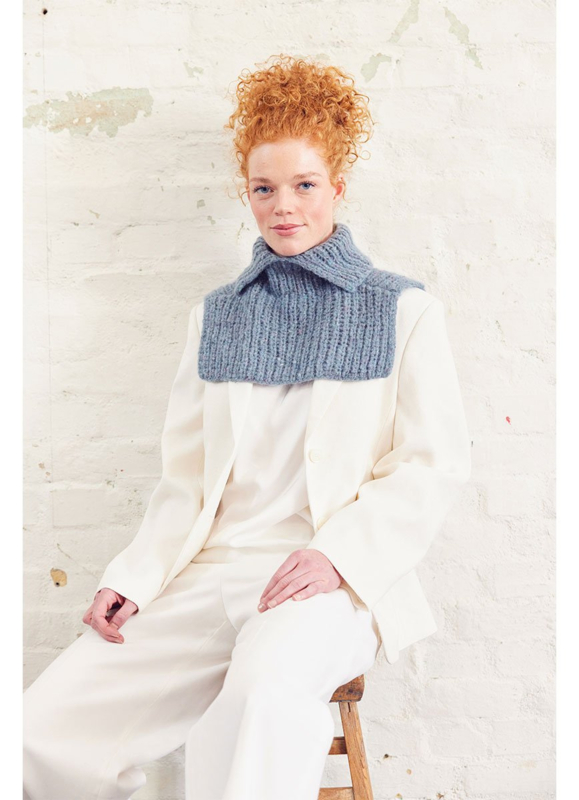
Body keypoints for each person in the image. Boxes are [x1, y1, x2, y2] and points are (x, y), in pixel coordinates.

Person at [23, 54, 471, 800]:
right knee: (40, 727)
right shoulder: (217, 317)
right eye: (264, 188)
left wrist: (337, 556)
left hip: (325, 582)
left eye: (304, 185)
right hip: (208, 574)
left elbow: (431, 464)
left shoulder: (401, 310)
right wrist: (133, 577)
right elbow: (186, 480)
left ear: (337, 188)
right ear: (247, 192)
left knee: (258, 702)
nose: (283, 206)